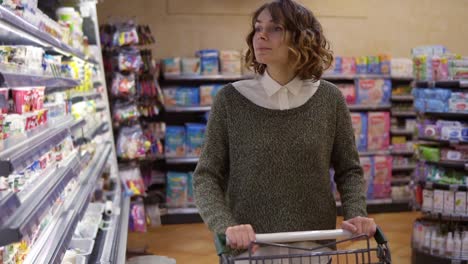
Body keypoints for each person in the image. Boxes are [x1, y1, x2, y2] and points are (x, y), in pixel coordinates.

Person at [193, 0, 377, 261]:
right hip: (250, 249)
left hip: (315, 248)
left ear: (303, 39)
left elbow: (349, 170)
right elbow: (206, 177)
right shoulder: (230, 100)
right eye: (258, 28)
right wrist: (225, 225)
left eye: (275, 28)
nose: (262, 35)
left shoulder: (330, 99)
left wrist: (356, 213)